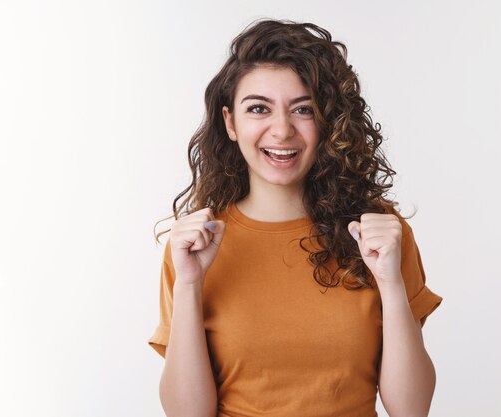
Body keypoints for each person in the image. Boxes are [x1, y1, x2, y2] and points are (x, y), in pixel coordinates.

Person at [148, 18, 443, 417]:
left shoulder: (380, 237)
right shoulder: (193, 249)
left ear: (327, 122)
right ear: (230, 122)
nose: (282, 130)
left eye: (303, 109)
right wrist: (188, 284)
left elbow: (411, 409)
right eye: (258, 109)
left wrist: (389, 282)